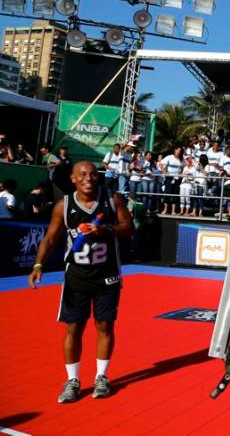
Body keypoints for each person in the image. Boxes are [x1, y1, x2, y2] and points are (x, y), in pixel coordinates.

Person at [28, 161, 134, 402]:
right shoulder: (63, 206)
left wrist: (105, 229)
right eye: (82, 174)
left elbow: (128, 228)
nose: (89, 178)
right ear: (73, 179)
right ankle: (72, 380)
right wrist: (38, 265)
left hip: (107, 276)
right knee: (73, 328)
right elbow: (50, 238)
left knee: (105, 326)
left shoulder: (112, 199)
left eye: (93, 174)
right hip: (76, 277)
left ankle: (101, 378)